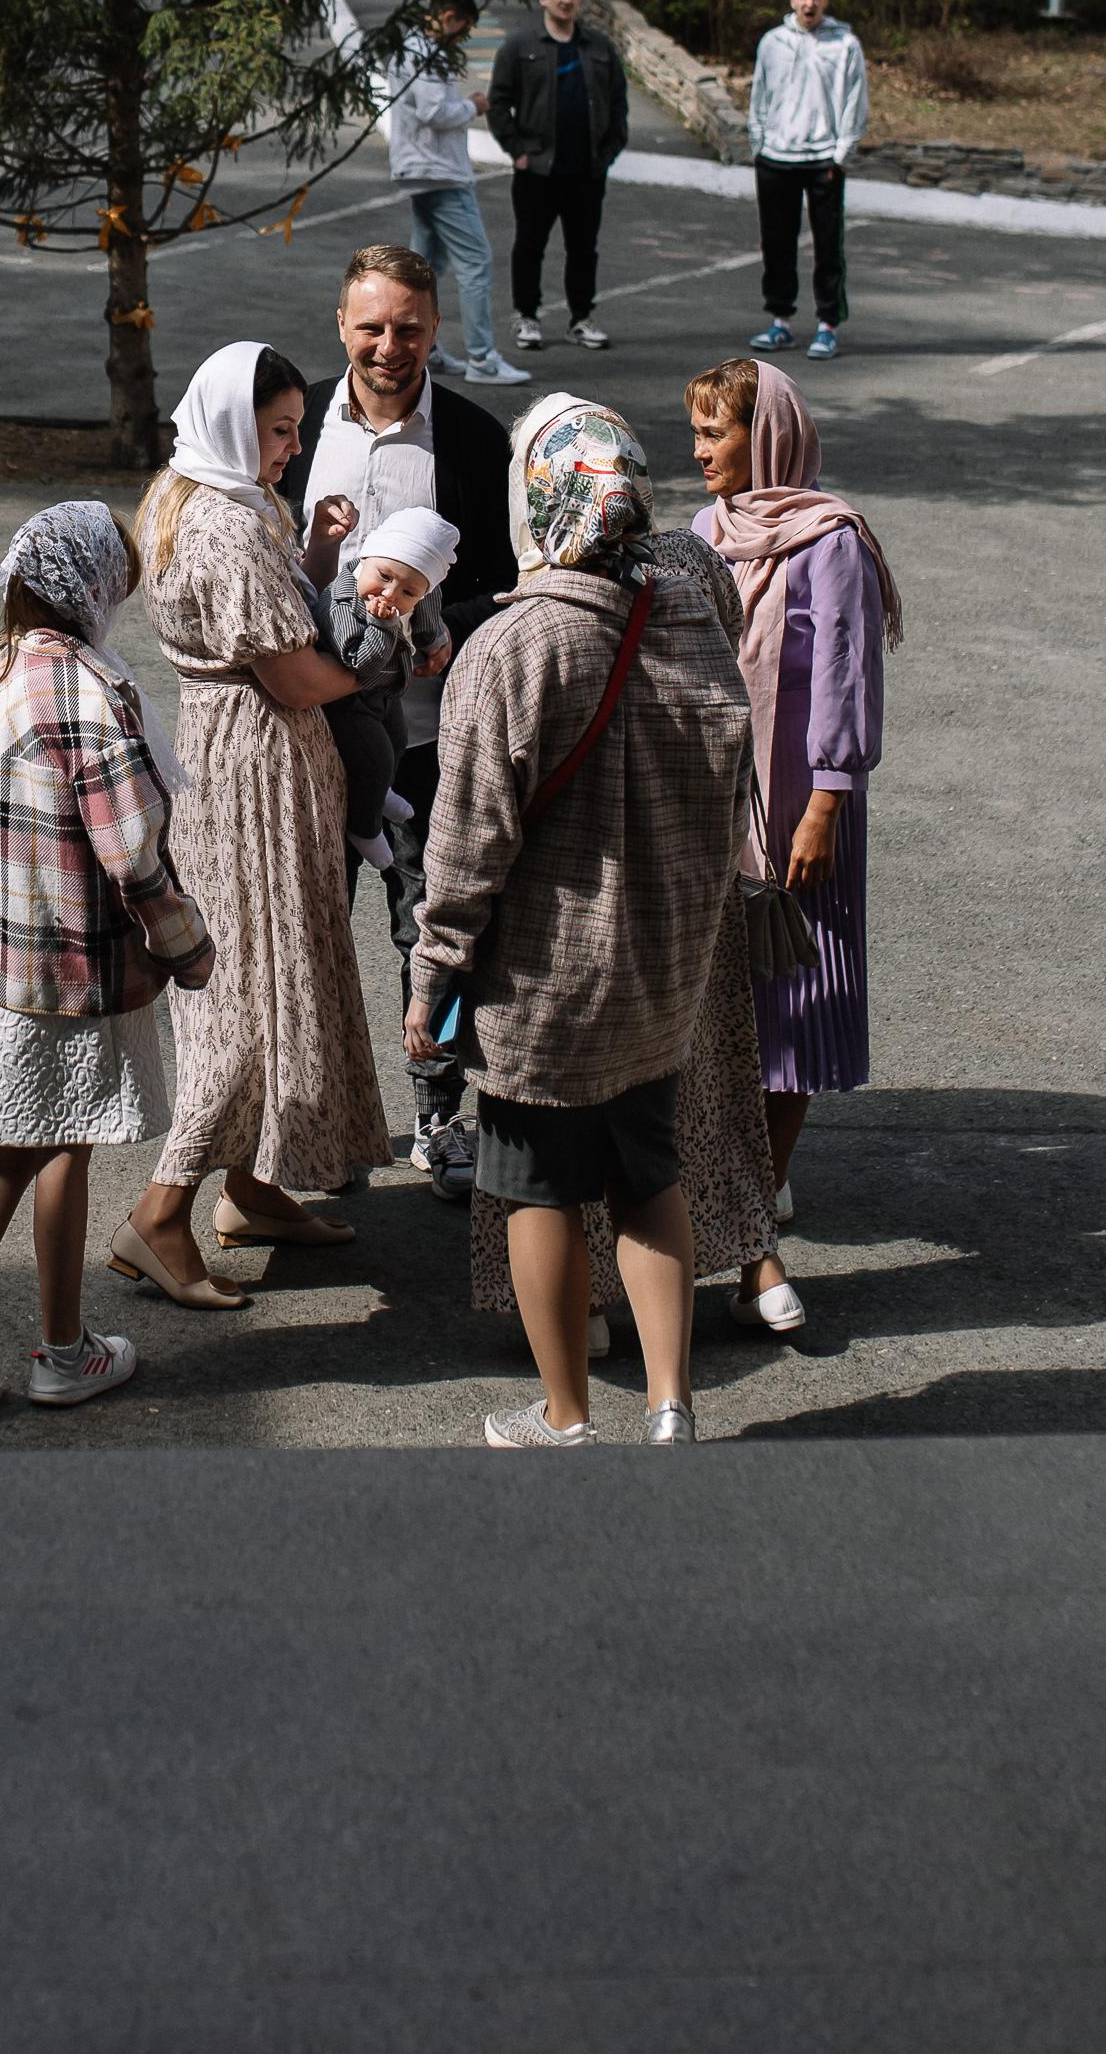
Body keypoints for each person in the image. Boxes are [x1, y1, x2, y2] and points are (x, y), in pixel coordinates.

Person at [408, 395, 753, 1446]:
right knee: (650, 1177)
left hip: (543, 990)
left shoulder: (515, 644)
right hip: (664, 968)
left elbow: (465, 847)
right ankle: (669, 1404)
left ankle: (562, 1415)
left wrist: (433, 978)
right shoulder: (692, 608)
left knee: (538, 1193)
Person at [0, 502, 215, 1410]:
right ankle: (54, 1348)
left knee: (35, 1135)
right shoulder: (87, 688)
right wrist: (184, 946)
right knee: (54, 1139)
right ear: (94, 587)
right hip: (69, 956)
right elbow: (130, 847)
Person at [114, 343, 393, 1303]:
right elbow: (289, 671)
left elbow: (269, 617)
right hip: (257, 766)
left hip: (231, 752)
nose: (289, 449)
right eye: (278, 432)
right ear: (239, 424)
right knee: (245, 988)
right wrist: (382, 662)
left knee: (272, 970)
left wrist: (312, 548)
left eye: (296, 433)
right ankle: (161, 1211)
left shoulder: (194, 492)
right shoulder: (226, 527)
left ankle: (251, 1186)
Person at [279, 247, 519, 1199]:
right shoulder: (291, 425)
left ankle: (438, 1117)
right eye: (370, 327)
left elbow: (508, 585)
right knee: (307, 935)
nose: (389, 346)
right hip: (309, 737)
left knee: (433, 933)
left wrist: (441, 638)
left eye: (409, 327)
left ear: (434, 329)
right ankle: (322, 1123)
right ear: (340, 326)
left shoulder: (468, 439)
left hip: (429, 741)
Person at [687, 354, 899, 1335]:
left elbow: (849, 679)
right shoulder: (702, 534)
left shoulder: (830, 541)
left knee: (794, 1014)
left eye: (714, 435)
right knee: (719, 1012)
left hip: (801, 811)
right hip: (712, 807)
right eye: (692, 435)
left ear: (764, 435)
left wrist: (826, 804)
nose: (699, 455)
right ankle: (736, 1208)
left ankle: (754, 1202)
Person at [384, 0, 529, 387]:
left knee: (421, 270)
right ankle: (482, 358)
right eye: (464, 26)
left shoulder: (408, 48)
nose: (465, 35)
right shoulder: (426, 53)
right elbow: (434, 111)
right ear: (448, 17)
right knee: (476, 262)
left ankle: (422, 351)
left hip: (421, 168)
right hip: (439, 172)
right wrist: (473, 107)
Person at [485, 0, 630, 355]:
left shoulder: (599, 48)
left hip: (586, 172)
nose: (567, 1)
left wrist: (609, 152)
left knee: (584, 248)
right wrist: (517, 151)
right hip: (537, 171)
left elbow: (618, 104)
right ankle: (527, 317)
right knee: (530, 244)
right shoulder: (520, 47)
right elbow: (498, 103)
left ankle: (580, 319)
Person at [309, 504, 460, 864]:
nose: (391, 594)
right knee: (374, 755)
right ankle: (364, 828)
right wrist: (382, 627)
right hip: (346, 703)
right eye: (385, 576)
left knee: (397, 741)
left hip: (385, 694)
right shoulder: (341, 602)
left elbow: (426, 606)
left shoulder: (411, 592)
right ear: (366, 557)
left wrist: (433, 636)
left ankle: (379, 792)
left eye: (408, 592)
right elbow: (361, 664)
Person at [748, 0, 869, 363]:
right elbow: (759, 97)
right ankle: (780, 322)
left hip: (823, 161)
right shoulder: (772, 42)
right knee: (777, 242)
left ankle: (827, 326)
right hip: (776, 158)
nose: (809, 3)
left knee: (827, 245)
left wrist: (841, 154)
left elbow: (855, 101)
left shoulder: (845, 44)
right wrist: (759, 144)